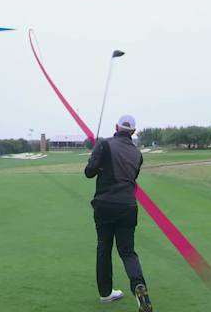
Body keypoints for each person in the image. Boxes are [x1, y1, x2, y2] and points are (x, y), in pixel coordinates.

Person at [85, 115, 153, 312]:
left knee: (104, 248)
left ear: (116, 127)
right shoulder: (138, 154)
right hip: (128, 206)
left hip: (105, 205)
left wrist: (94, 157)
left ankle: (106, 294)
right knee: (127, 251)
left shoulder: (104, 144)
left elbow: (89, 172)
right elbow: (132, 177)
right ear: (133, 131)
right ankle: (138, 285)